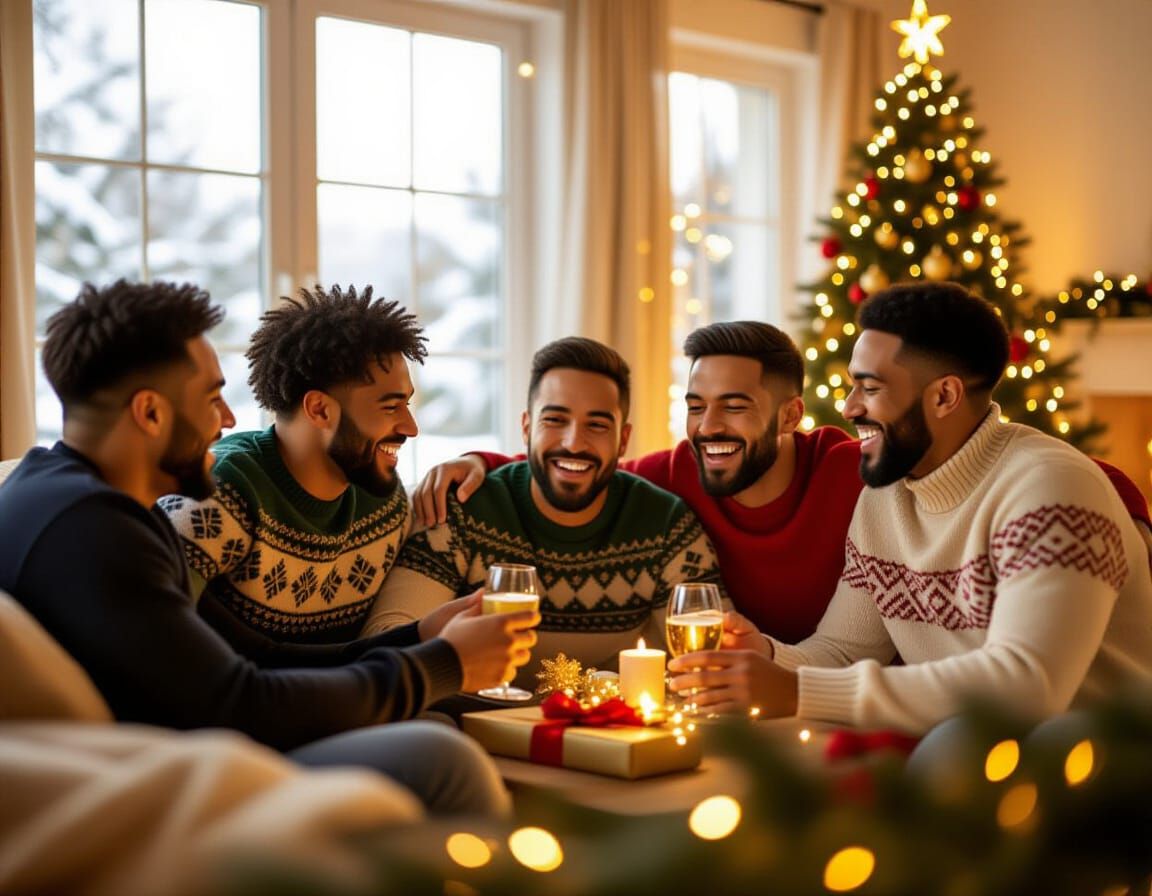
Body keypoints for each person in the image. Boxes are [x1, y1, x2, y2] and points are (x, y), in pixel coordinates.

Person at [0, 280, 538, 815]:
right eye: (212, 399)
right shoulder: (92, 531)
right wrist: (442, 664)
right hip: (147, 775)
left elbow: (255, 653)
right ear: (151, 413)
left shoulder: (77, 499)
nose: (229, 420)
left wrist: (420, 636)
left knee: (433, 735)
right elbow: (240, 703)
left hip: (181, 743)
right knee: (442, 759)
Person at [666, 282, 1152, 734]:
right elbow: (842, 650)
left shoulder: (1050, 487)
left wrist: (794, 691)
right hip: (979, 755)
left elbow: (1029, 685)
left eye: (871, 389)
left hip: (1102, 762)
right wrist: (766, 656)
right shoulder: (886, 496)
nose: (849, 407)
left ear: (944, 395)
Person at [415, 322, 863, 642]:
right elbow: (580, 462)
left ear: (791, 415)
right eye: (695, 406)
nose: (707, 428)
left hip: (846, 693)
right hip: (748, 687)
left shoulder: (850, 472)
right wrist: (480, 461)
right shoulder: (675, 473)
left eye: (734, 406)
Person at [364, 336, 724, 685]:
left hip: (608, 733)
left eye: (597, 425)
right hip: (469, 724)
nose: (573, 443)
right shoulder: (461, 510)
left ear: (623, 440)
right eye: (554, 420)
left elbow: (716, 661)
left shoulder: (664, 524)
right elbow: (388, 637)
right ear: (526, 428)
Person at [161, 283, 430, 647]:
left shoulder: (385, 503)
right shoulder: (217, 496)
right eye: (390, 407)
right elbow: (157, 645)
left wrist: (478, 462)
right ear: (319, 409)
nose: (410, 428)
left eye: (408, 405)